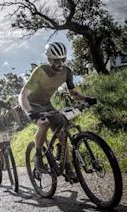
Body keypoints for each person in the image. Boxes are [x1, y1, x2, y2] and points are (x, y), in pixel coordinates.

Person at [18, 41, 97, 183]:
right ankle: (37, 157)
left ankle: (68, 167)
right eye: (56, 60)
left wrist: (86, 99)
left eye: (63, 59)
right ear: (48, 59)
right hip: (32, 105)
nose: (60, 63)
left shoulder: (67, 72)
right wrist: (29, 112)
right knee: (44, 123)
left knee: (63, 131)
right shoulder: (40, 71)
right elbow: (23, 95)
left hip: (47, 105)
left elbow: (74, 94)